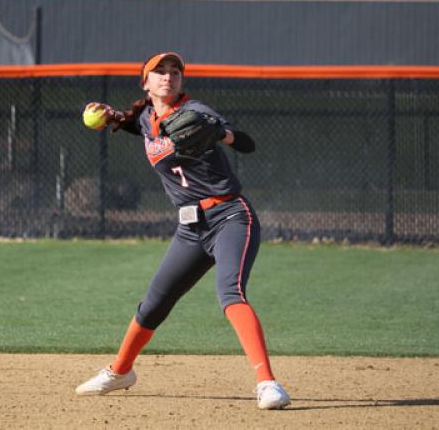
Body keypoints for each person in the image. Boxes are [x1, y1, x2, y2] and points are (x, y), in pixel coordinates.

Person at [75, 51, 291, 410]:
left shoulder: (197, 113)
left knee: (230, 293)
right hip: (190, 228)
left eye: (175, 71)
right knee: (154, 303)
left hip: (229, 216)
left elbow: (247, 143)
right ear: (146, 82)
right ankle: (120, 372)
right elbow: (141, 124)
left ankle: (268, 384)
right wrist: (114, 116)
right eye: (159, 72)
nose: (168, 77)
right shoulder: (146, 115)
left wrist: (221, 133)